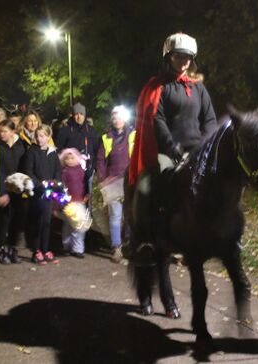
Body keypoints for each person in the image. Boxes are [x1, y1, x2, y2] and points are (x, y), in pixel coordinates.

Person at [128, 32, 217, 266]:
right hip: (168, 151)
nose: (184, 61)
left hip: (196, 151)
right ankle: (144, 238)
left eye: (188, 57)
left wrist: (204, 145)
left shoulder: (198, 88)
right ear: (169, 57)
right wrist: (173, 147)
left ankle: (217, 237)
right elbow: (156, 119)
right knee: (147, 186)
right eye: (179, 56)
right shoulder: (159, 86)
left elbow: (209, 119)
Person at [96, 105, 135, 263]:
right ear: (112, 120)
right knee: (115, 216)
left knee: (131, 215)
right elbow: (100, 161)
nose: (117, 120)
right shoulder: (106, 137)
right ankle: (116, 248)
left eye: (120, 117)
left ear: (124, 119)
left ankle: (130, 245)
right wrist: (102, 179)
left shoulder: (134, 135)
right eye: (114, 118)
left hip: (130, 181)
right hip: (112, 181)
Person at [22, 125, 61, 265]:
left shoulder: (53, 152)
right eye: (37, 136)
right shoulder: (32, 152)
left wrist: (55, 182)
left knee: (47, 222)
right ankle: (36, 250)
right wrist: (39, 184)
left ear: (49, 137)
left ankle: (45, 249)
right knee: (37, 222)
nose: (39, 139)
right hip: (37, 192)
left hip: (49, 192)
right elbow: (29, 171)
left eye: (43, 136)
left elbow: (57, 170)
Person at [0, 120, 27, 264]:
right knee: (4, 221)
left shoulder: (22, 146)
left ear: (13, 132)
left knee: (17, 221)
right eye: (0, 131)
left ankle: (13, 249)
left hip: (19, 189)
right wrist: (0, 192)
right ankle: (1, 249)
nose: (1, 134)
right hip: (4, 188)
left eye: (5, 131)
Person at [54, 102, 100, 197]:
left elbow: (97, 149)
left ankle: (87, 211)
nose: (79, 117)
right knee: (71, 197)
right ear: (73, 115)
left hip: (88, 171)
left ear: (85, 115)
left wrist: (94, 166)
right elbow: (59, 151)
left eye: (81, 114)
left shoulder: (91, 130)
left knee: (87, 197)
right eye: (76, 114)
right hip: (70, 172)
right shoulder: (65, 131)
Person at [59, 148, 89, 258]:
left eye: (72, 158)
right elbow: (62, 186)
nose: (70, 160)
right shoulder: (64, 172)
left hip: (80, 201)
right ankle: (66, 246)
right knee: (68, 226)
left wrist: (86, 195)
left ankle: (78, 249)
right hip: (69, 203)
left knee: (80, 226)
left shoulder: (82, 171)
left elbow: (85, 185)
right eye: (67, 158)